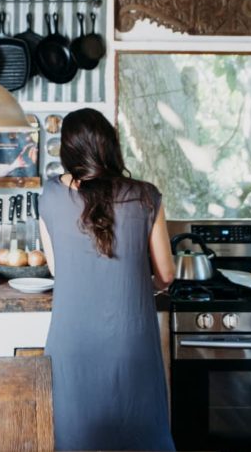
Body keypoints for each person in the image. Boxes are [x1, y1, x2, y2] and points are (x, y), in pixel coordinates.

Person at [39, 107, 176, 451]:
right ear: (111, 146)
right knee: (139, 435)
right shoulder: (146, 196)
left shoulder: (50, 196)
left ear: (67, 151)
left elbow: (57, 269)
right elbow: (167, 275)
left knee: (75, 437)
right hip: (131, 341)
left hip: (73, 344)